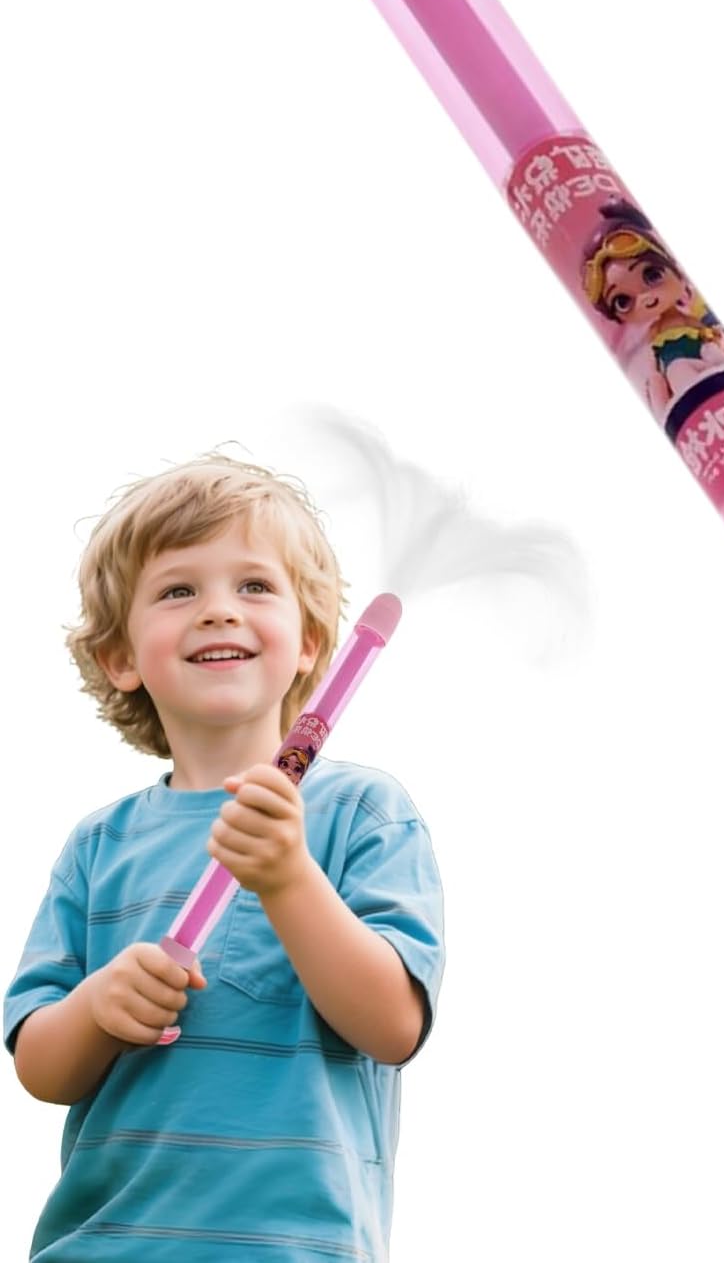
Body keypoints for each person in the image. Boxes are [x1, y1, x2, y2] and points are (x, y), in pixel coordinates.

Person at [3, 452, 445, 1261]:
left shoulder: (361, 813)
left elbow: (392, 1024)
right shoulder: (99, 845)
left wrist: (287, 877)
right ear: (120, 657)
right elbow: (40, 1066)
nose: (218, 610)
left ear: (311, 643)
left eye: (254, 585)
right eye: (178, 590)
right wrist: (97, 1008)